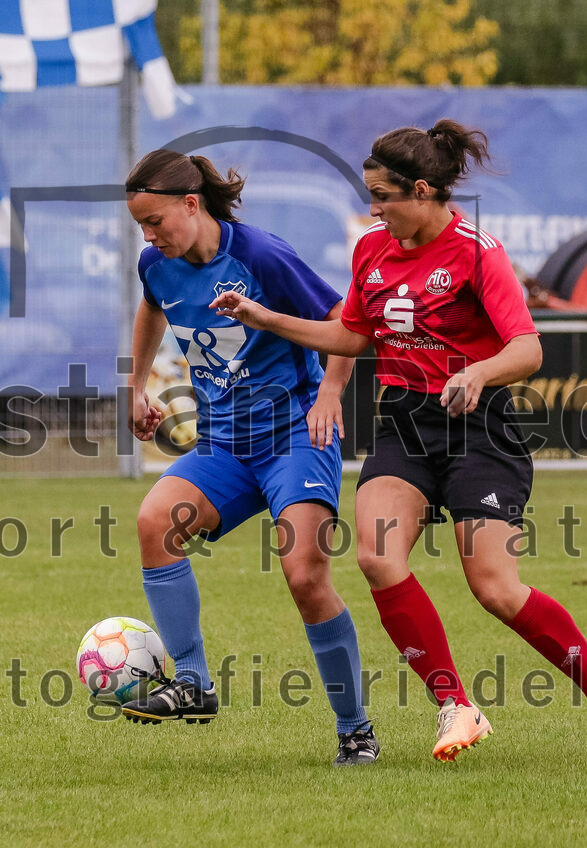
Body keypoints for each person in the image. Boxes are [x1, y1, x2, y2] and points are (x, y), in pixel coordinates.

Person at [212, 119, 587, 768]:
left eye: (382, 196)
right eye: (369, 196)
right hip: (405, 425)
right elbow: (353, 337)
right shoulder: (372, 252)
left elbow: (528, 347)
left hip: (480, 431)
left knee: (496, 589)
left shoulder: (477, 253)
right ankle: (456, 703)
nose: (373, 209)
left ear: (421, 190)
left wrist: (479, 371)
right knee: (377, 555)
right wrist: (266, 318)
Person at [121, 148, 379, 766]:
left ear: (192, 204)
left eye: (156, 221)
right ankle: (192, 683)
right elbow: (153, 306)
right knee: (156, 523)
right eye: (141, 227)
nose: (150, 236)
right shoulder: (157, 264)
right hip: (225, 444)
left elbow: (344, 315)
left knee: (305, 576)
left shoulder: (259, 254)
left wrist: (330, 393)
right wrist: (136, 384)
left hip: (295, 435)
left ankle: (356, 730)